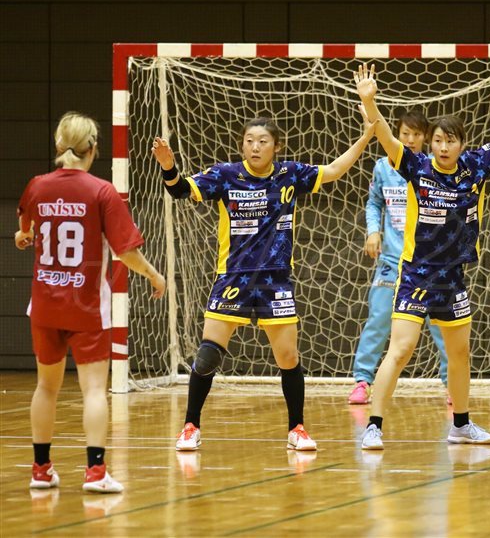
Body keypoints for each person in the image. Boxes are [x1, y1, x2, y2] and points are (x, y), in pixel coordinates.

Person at [152, 111, 376, 453]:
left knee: (288, 357)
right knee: (207, 355)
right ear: (242, 145)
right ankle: (190, 426)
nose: (255, 147)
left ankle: (297, 428)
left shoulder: (290, 175)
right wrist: (169, 167)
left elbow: (334, 170)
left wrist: (364, 138)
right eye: (249, 141)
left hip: (276, 281)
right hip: (233, 278)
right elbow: (180, 189)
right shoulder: (226, 175)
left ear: (276, 147)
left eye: (263, 142)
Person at [354, 63, 490, 450]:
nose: (442, 147)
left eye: (450, 141)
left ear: (461, 144)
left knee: (459, 354)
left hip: (453, 278)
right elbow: (385, 135)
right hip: (416, 276)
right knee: (400, 350)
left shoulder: (475, 166)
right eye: (437, 140)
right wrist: (370, 103)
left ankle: (461, 425)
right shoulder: (416, 165)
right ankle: (374, 425)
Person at [16, 111, 166, 493]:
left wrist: (23, 236)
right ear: (93, 148)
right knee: (95, 390)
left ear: (58, 144)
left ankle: (40, 470)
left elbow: (25, 229)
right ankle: (96, 472)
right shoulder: (101, 191)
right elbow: (125, 252)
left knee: (45, 387)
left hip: (45, 304)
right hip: (86, 305)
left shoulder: (37, 186)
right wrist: (153, 274)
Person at [349, 109, 450, 406]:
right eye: (405, 133)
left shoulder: (434, 168)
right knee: (379, 318)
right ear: (396, 134)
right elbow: (374, 203)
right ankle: (362, 381)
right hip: (392, 261)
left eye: (416, 134)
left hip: (430, 264)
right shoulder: (382, 167)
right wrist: (373, 231)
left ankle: (452, 385)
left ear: (426, 138)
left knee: (441, 325)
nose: (410, 140)